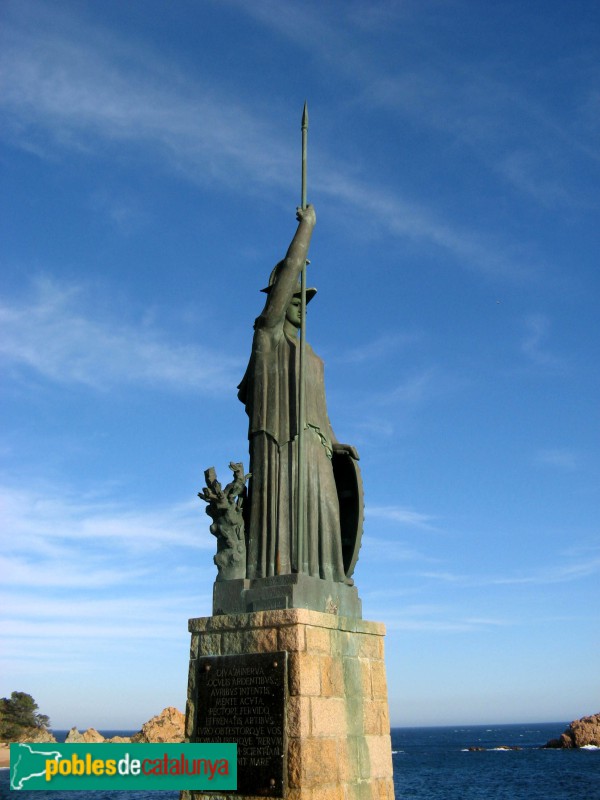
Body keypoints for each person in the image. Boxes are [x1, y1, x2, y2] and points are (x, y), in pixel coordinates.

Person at [238, 205, 357, 583]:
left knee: (325, 509)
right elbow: (288, 274)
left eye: (304, 302)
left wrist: (336, 445)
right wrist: (307, 230)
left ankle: (326, 576)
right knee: (283, 513)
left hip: (313, 444)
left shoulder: (312, 358)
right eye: (294, 299)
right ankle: (276, 575)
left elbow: (320, 411)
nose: (301, 307)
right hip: (280, 441)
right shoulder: (267, 336)